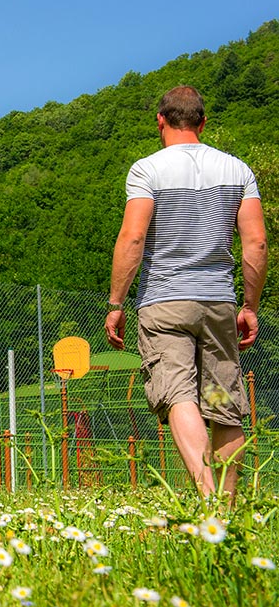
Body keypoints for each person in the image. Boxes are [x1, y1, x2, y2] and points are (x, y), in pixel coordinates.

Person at [104, 85, 267, 503]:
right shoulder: (237, 170)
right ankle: (229, 508)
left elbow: (133, 237)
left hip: (166, 304)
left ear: (160, 120)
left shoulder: (147, 170)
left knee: (177, 393)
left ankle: (206, 497)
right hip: (217, 304)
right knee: (221, 400)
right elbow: (256, 245)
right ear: (203, 122)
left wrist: (117, 303)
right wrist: (249, 306)